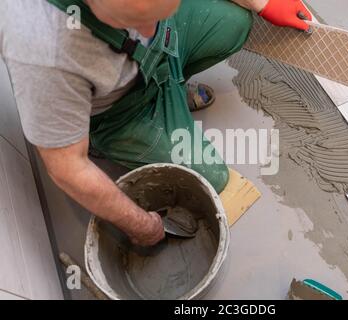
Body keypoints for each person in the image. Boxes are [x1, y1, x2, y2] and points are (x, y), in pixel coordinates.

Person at [0, 0, 312, 246]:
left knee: (237, 22)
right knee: (213, 180)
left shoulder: (148, 27)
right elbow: (67, 168)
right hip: (120, 114)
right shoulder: (40, 50)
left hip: (150, 61)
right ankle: (112, 136)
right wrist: (144, 226)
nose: (148, 31)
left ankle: (171, 86)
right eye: (134, 20)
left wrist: (263, 2)